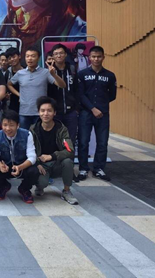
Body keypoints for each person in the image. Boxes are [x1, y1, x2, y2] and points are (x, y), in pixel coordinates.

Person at [77, 46, 117, 182]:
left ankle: (99, 168)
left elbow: (112, 95)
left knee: (102, 142)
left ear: (103, 57)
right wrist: (92, 108)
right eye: (93, 56)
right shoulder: (82, 74)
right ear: (89, 58)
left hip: (103, 114)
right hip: (86, 113)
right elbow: (80, 95)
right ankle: (83, 169)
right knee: (83, 142)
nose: (96, 59)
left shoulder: (110, 75)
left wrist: (100, 107)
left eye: (99, 56)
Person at [29, 97, 78, 205]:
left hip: (57, 163)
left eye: (49, 111)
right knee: (42, 182)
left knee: (68, 162)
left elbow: (70, 150)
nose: (45, 114)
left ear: (54, 113)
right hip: (42, 165)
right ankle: (39, 187)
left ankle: (66, 191)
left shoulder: (61, 129)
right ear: (38, 112)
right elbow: (29, 151)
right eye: (42, 110)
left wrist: (52, 156)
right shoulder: (33, 129)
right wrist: (37, 163)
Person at [8, 48, 66, 130]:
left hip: (41, 113)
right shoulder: (20, 73)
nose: (30, 58)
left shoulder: (45, 72)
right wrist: (19, 95)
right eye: (27, 56)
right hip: (24, 112)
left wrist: (53, 74)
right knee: (25, 135)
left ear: (38, 58)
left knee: (40, 136)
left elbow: (62, 85)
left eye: (33, 56)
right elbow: (9, 84)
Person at [0, 110, 40, 203]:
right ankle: (3, 186)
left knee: (34, 171)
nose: (8, 128)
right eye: (5, 125)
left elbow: (32, 157)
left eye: (11, 125)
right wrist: (0, 166)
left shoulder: (27, 134)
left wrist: (20, 167)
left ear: (18, 125)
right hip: (6, 166)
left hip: (22, 166)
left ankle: (24, 189)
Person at [47, 44, 79, 144]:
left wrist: (77, 108)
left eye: (61, 53)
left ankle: (69, 155)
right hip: (55, 112)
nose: (59, 55)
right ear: (52, 56)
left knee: (70, 140)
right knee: (54, 140)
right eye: (56, 54)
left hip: (71, 112)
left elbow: (77, 89)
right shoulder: (48, 71)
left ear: (65, 54)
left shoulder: (72, 69)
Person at [6, 47, 23, 113]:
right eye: (9, 58)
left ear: (19, 56)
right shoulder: (7, 72)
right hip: (11, 104)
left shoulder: (26, 70)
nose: (12, 59)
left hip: (25, 102)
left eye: (14, 57)